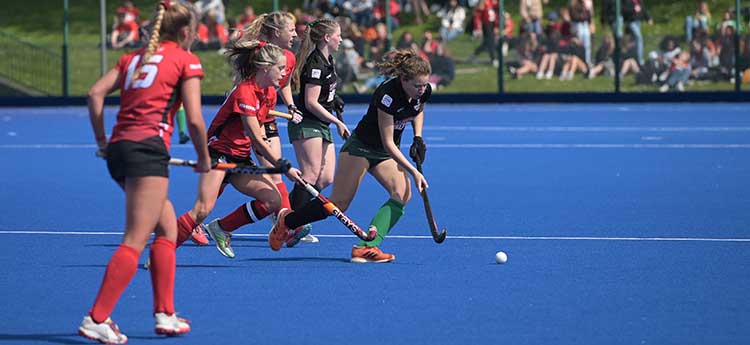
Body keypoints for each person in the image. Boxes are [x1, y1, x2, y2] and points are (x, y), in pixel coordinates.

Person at [79, 2, 210, 344]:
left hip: (120, 151)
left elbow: (95, 94)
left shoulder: (132, 58)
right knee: (135, 238)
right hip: (147, 152)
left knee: (167, 227)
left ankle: (165, 314)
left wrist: (103, 141)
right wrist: (204, 160)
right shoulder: (185, 59)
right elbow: (195, 120)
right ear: (185, 32)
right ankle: (97, 317)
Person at [269, 48, 431, 263]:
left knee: (402, 193)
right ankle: (288, 221)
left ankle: (367, 246)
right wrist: (413, 171)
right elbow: (388, 143)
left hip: (382, 153)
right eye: (417, 85)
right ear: (403, 80)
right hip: (361, 148)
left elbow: (418, 110)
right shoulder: (387, 96)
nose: (421, 90)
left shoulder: (423, 91)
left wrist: (418, 136)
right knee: (339, 203)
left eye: (424, 85)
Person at [171, 39, 303, 259]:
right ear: (265, 68)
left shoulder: (269, 93)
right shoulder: (245, 92)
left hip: (240, 158)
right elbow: (255, 136)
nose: (284, 74)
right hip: (218, 154)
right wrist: (284, 166)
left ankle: (221, 228)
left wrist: (272, 165)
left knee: (273, 200)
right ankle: (161, 250)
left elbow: (260, 136)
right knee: (202, 209)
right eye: (280, 68)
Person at [200, 11, 309, 251]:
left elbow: (284, 83)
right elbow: (248, 86)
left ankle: (284, 221)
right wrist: (284, 163)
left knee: (273, 180)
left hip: (264, 114)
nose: (294, 34)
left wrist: (291, 105)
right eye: (290, 30)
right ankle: (197, 221)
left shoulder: (288, 58)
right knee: (213, 192)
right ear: (276, 32)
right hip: (245, 117)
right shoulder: (257, 54)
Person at [286, 18, 347, 247]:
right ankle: (290, 225)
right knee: (309, 175)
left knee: (326, 178)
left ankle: (289, 217)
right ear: (327, 38)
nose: (341, 39)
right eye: (338, 35)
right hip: (307, 123)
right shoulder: (315, 64)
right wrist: (337, 122)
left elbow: (322, 93)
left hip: (321, 123)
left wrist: (333, 99)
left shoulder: (328, 60)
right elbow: (310, 102)